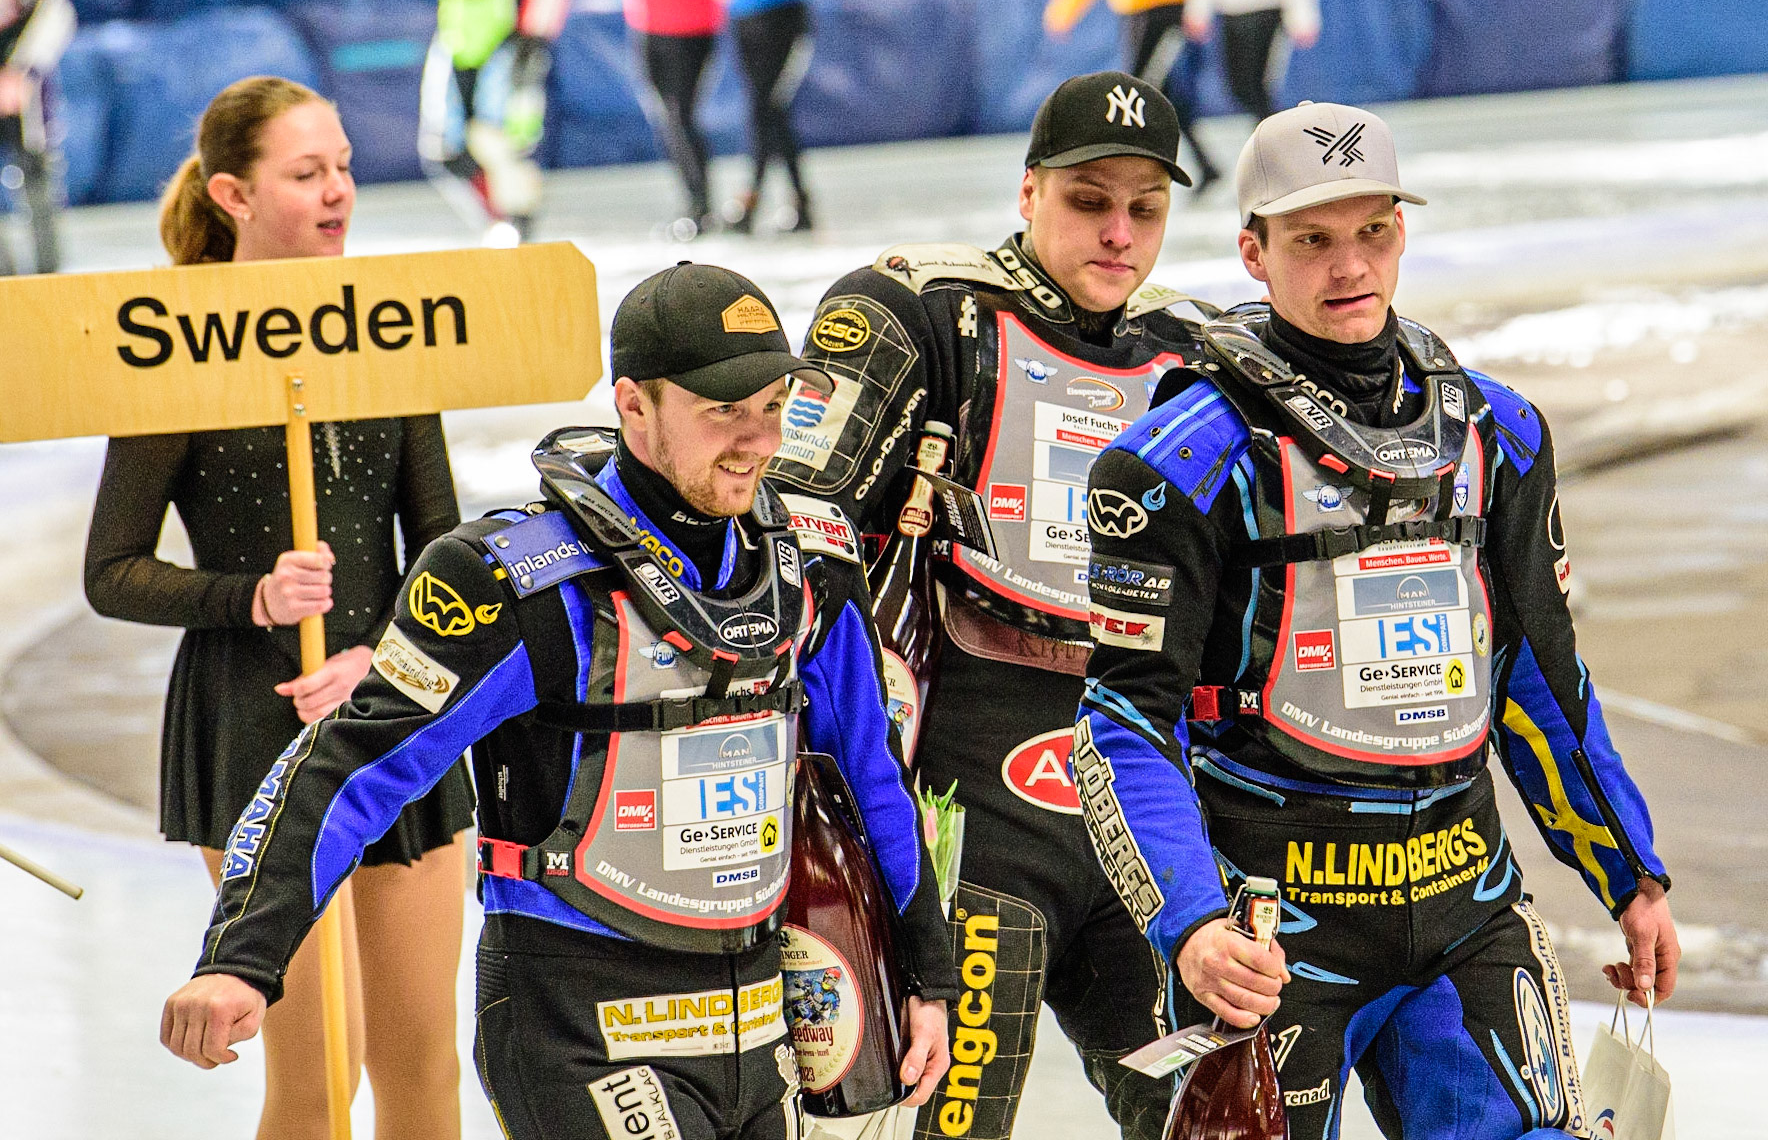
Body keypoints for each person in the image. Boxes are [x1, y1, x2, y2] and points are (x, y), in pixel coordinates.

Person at [160, 262, 957, 1140]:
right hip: (579, 1023)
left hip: (759, 1018)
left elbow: (871, 771)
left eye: (773, 406)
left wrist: (928, 972)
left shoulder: (811, 565)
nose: (758, 440)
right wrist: (240, 960)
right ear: (634, 403)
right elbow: (348, 766)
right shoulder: (516, 584)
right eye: (724, 410)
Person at [1075, 101, 1680, 1135]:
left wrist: (1627, 873)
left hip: (1466, 898)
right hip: (1269, 932)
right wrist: (1189, 925)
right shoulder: (1175, 461)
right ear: (1253, 253)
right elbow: (1122, 723)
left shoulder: (1500, 432)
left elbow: (1538, 674)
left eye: (1373, 232)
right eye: (1311, 239)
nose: (1348, 264)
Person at [770, 71, 1213, 1140]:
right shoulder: (920, 310)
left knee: (1216, 1117)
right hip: (967, 807)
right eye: (1087, 200)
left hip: (1139, 806)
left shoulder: (1198, 359)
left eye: (1143, 208)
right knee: (950, 1127)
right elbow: (791, 523)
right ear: (1029, 192)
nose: (1117, 232)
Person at [84, 76, 474, 1140]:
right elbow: (112, 570)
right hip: (257, 724)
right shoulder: (173, 347)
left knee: (424, 1065)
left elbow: (441, 548)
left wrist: (382, 661)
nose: (340, 190)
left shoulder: (390, 333)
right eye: (307, 173)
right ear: (233, 194)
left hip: (396, 710)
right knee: (318, 1075)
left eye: (343, 165)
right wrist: (249, 595)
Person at [419, 0, 571, 246]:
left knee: (504, 145)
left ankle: (517, 229)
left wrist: (535, 39)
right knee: (445, 150)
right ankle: (498, 223)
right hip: (456, 34)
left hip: (505, 38)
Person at [1044, 0, 1222, 195]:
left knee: (1137, 93)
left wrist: (1197, 6)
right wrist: (1065, 11)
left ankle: (1119, 167)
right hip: (1142, 6)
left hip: (1163, 5)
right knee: (1155, 94)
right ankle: (1204, 165)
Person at [625, 0, 730, 240]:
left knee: (679, 116)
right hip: (649, 23)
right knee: (670, 119)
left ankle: (700, 207)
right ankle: (696, 204)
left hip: (687, 26)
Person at [726, 0, 815, 234]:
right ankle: (797, 202)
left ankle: (755, 198)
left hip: (783, 13)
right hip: (746, 16)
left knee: (769, 109)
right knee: (766, 111)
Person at [0, 0, 74, 274]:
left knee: (37, 176)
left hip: (24, 81)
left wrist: (22, 71)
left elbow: (56, 8)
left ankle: (48, 274)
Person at [1182, 0, 1319, 122]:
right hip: (1231, 10)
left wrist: (1303, 17)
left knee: (1260, 88)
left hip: (1268, 8)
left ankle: (1279, 138)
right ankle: (1269, 136)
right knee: (1240, 88)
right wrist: (1198, 10)